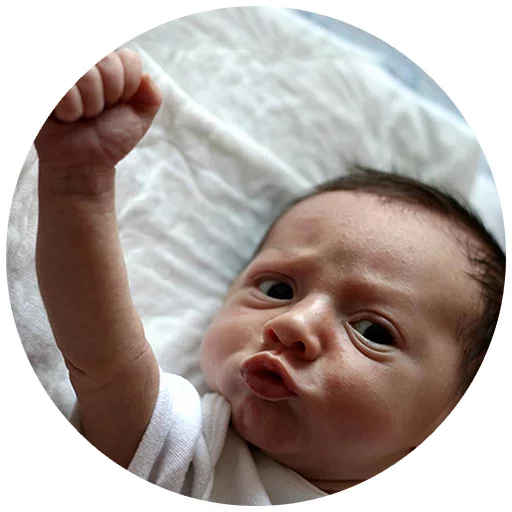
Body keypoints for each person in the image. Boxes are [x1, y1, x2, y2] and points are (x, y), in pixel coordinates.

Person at [34, 49, 505, 505]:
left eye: (372, 331)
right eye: (277, 289)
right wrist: (78, 183)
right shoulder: (198, 455)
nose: (294, 323)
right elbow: (106, 358)